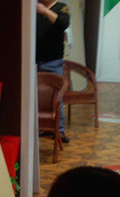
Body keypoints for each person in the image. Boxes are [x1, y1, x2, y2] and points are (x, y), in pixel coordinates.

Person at [36, 0, 70, 143]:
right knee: (37, 97)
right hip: (33, 61)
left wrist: (45, 11)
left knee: (55, 96)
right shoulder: (33, 7)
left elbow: (63, 23)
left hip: (52, 61)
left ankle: (59, 130)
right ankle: (42, 127)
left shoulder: (61, 7)